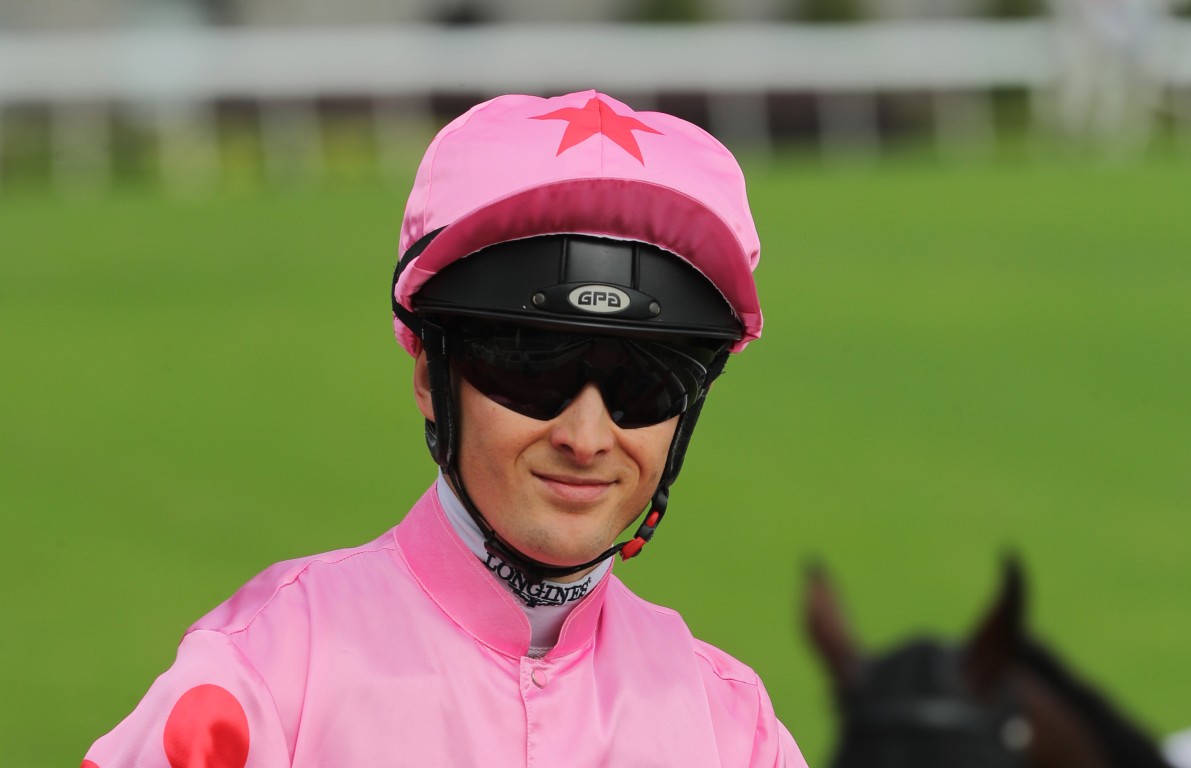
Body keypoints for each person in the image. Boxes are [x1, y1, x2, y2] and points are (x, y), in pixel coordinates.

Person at [83, 89, 806, 767]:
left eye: (645, 383)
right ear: (430, 376)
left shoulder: (734, 728)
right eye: (534, 367)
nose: (586, 438)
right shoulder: (260, 679)